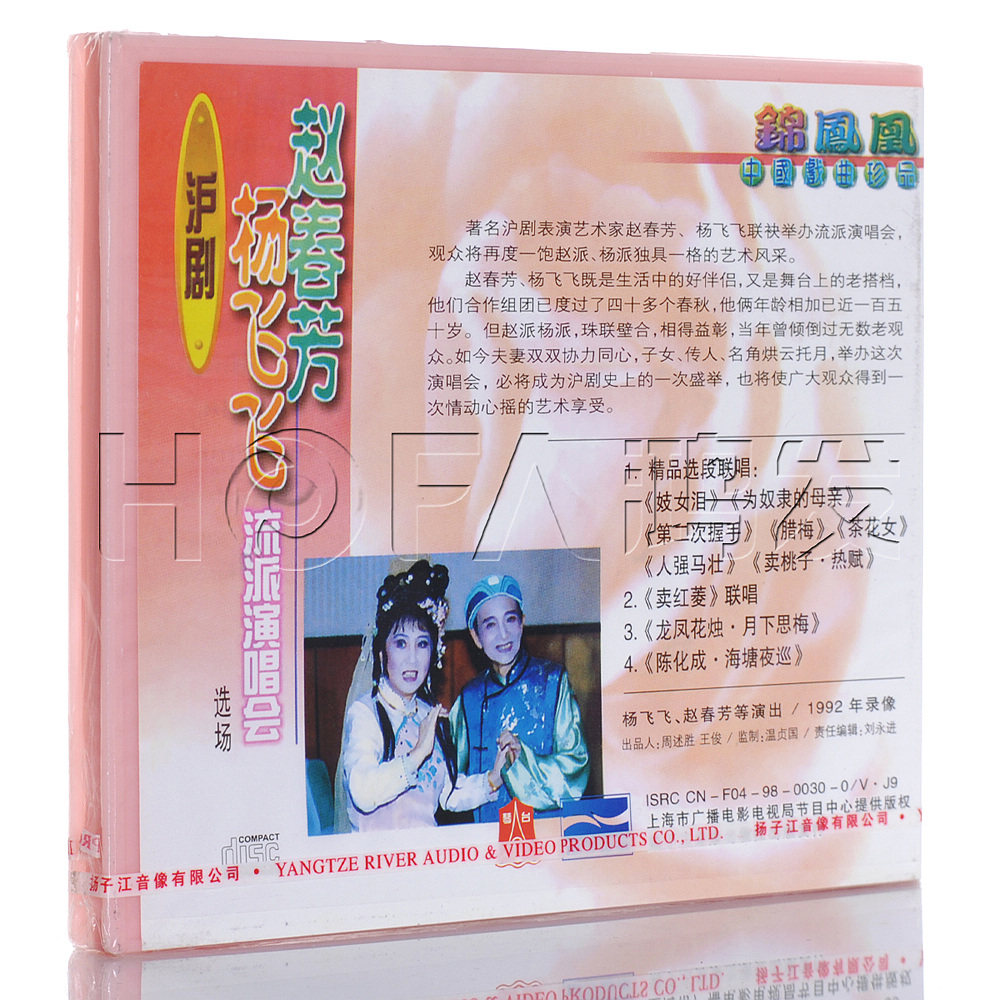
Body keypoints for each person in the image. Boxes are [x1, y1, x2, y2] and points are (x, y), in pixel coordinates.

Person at [337, 560, 506, 832]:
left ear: (434, 652)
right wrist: (416, 755)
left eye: (422, 644)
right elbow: (362, 792)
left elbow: (448, 793)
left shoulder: (428, 715)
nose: (413, 659)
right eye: (401, 643)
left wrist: (493, 778)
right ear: (382, 652)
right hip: (381, 855)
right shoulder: (367, 713)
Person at [450, 573, 589, 824]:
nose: (503, 635)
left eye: (510, 620)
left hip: (545, 834)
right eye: (490, 625)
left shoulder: (553, 681)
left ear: (522, 623)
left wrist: (523, 759)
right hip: (485, 837)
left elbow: (575, 767)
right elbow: (450, 785)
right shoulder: (468, 699)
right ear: (476, 637)